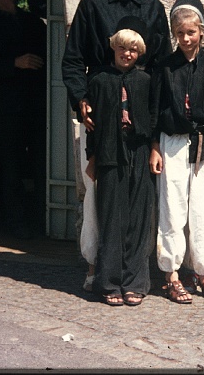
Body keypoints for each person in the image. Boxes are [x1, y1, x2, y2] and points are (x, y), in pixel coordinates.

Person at [60, 0, 171, 291]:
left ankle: (133, 272)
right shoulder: (92, 5)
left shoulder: (153, 8)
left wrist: (153, 118)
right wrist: (82, 100)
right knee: (98, 193)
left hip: (138, 114)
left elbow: (162, 66)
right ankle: (96, 264)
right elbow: (73, 61)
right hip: (101, 107)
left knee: (138, 194)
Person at [149, 0, 204, 304]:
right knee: (172, 209)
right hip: (172, 143)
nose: (185, 39)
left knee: (203, 211)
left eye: (191, 33)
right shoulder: (165, 67)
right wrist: (155, 146)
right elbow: (154, 110)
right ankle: (170, 275)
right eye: (179, 33)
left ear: (202, 32)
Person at [83, 16, 156, 306]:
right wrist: (92, 157)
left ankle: (135, 282)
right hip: (110, 151)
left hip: (138, 150)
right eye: (123, 48)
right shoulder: (99, 80)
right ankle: (109, 282)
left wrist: (154, 149)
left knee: (138, 216)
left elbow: (153, 119)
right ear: (114, 48)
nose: (127, 54)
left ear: (140, 53)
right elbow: (92, 123)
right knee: (111, 216)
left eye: (133, 50)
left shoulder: (146, 80)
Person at [0, 0, 48, 240]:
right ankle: (16, 224)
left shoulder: (33, 22)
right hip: (7, 109)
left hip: (37, 105)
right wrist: (15, 63)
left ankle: (43, 221)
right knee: (11, 167)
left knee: (43, 164)